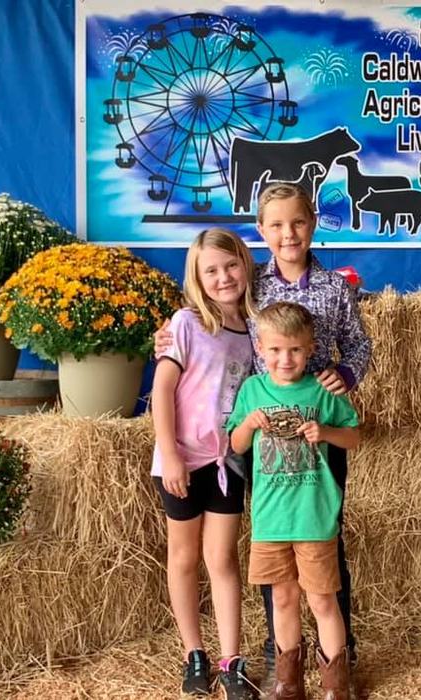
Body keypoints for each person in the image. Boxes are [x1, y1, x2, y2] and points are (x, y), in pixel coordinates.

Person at [157, 182, 372, 686]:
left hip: (319, 427)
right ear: (261, 231)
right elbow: (212, 307)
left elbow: (359, 345)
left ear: (312, 224)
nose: (288, 234)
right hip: (263, 435)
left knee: (327, 540)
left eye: (297, 222)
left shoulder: (334, 288)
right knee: (272, 540)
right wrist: (166, 335)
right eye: (276, 225)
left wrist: (346, 374)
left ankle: (339, 658)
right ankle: (283, 657)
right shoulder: (252, 283)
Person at [227, 302, 360, 700]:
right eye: (275, 350)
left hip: (313, 516)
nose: (285, 359)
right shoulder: (252, 390)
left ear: (310, 348)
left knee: (322, 599)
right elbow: (236, 444)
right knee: (282, 598)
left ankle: (335, 686)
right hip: (271, 519)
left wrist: (325, 433)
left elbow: (353, 436)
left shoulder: (322, 390)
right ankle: (289, 684)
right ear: (260, 348)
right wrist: (249, 424)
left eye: (295, 350)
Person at [150, 228, 259, 700]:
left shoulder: (255, 330)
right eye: (210, 271)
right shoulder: (187, 324)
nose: (223, 277)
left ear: (245, 265)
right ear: (196, 278)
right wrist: (171, 453)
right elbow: (162, 389)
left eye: (231, 265)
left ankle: (231, 660)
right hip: (181, 461)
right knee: (184, 556)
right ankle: (193, 652)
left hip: (226, 462)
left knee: (223, 558)